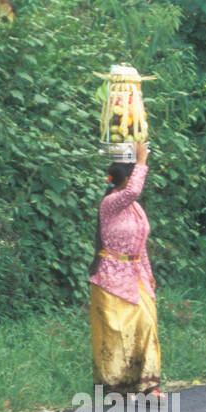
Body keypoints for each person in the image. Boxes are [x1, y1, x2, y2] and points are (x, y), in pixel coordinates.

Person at [88, 140, 163, 397]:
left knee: (147, 325)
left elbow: (140, 244)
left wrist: (149, 273)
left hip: (136, 276)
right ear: (127, 179)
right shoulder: (110, 203)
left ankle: (149, 384)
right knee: (116, 333)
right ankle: (115, 388)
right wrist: (142, 161)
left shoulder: (135, 208)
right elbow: (132, 192)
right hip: (110, 277)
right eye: (134, 177)